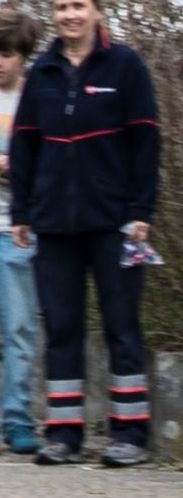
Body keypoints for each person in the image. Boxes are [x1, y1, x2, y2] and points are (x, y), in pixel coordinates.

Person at [9, 0, 159, 466]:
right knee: (61, 331)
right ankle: (64, 434)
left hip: (114, 222)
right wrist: (22, 212)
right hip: (54, 224)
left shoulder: (126, 64)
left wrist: (140, 210)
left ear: (96, 12)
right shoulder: (43, 72)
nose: (69, 15)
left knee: (121, 328)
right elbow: (26, 144)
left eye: (78, 5)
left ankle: (130, 435)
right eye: (61, 7)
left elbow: (147, 141)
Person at [0, 8, 41, 455]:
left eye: (7, 54)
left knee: (20, 330)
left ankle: (17, 419)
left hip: (18, 231)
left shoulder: (36, 98)